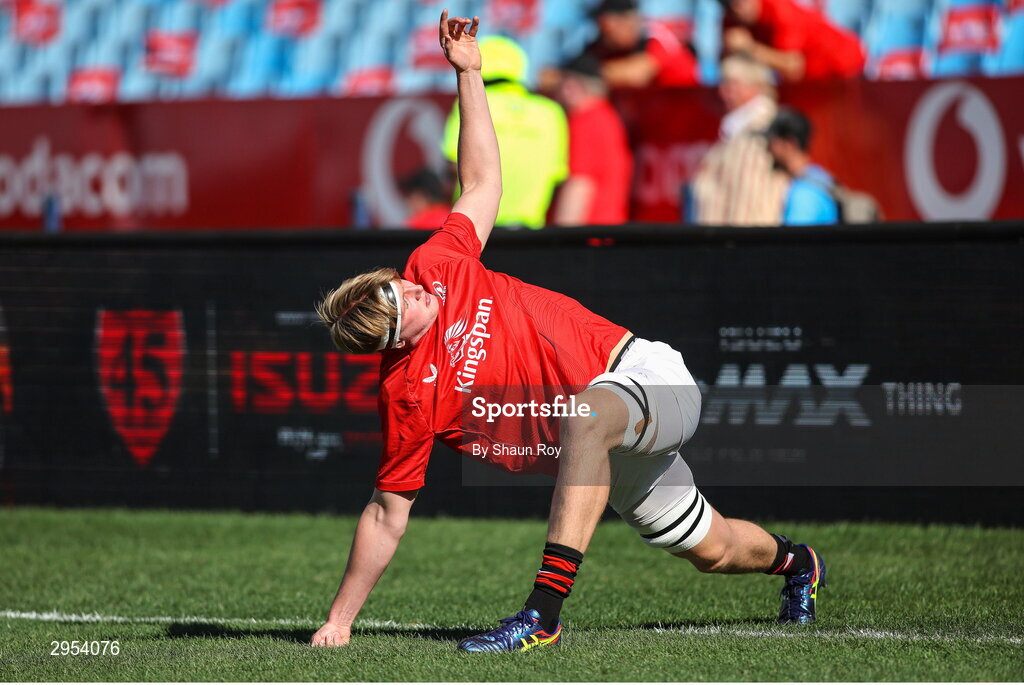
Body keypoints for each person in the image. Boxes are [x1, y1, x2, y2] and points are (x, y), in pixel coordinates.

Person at [311, 11, 826, 653]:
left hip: (642, 377)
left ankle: (542, 616)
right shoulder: (409, 396)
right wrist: (339, 621)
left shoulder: (437, 265)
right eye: (400, 300)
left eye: (398, 281)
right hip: (599, 446)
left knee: (583, 414)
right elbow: (386, 517)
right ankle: (799, 563)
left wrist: (469, 75)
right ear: (392, 339)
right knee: (713, 549)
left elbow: (482, 182)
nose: (411, 287)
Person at [441, 35, 567, 229]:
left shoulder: (468, 104)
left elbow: (453, 166)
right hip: (530, 232)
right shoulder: (551, 112)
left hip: (475, 228)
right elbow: (558, 176)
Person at [689, 53, 787, 225]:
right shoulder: (737, 131)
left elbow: (749, 207)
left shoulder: (761, 132)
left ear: (757, 86)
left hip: (742, 244)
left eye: (732, 84)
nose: (724, 91)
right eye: (724, 83)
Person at [552, 54, 633, 226]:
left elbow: (579, 183)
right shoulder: (608, 116)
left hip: (587, 237)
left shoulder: (585, 120)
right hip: (604, 232)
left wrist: (561, 242)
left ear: (571, 86)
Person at [718, 0, 865, 82]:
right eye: (728, 5)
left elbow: (793, 67)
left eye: (739, 2)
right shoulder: (732, 21)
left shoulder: (780, 10)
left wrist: (750, 48)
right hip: (811, 81)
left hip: (843, 68)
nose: (737, 9)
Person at [567, 0, 699, 89]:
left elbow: (636, 74)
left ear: (627, 21)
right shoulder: (602, 47)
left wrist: (577, 74)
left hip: (685, 114)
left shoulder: (655, 36)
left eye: (605, 24)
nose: (600, 31)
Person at [765, 107, 839, 226]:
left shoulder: (804, 194)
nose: (767, 150)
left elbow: (793, 242)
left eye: (771, 143)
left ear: (790, 144)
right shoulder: (820, 179)